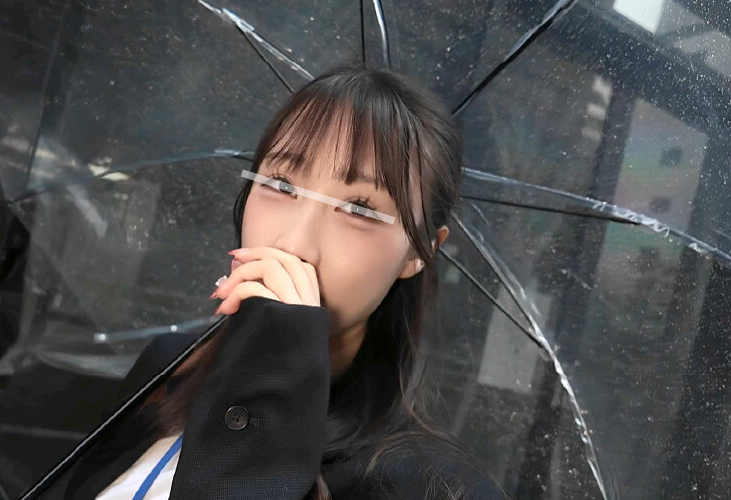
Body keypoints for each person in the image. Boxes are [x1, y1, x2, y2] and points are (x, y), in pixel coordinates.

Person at [59, 64, 509, 499]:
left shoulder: (430, 486)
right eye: (281, 184)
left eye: (359, 209)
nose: (294, 243)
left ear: (418, 252)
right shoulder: (169, 368)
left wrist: (273, 381)